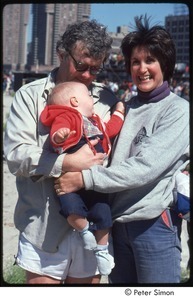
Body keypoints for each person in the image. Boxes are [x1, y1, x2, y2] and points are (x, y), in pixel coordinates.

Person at [54, 15, 189, 283]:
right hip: (114, 225)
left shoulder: (178, 110)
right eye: (135, 62)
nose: (142, 68)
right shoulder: (125, 106)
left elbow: (144, 168)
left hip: (152, 226)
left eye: (150, 60)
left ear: (165, 64)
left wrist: (83, 178)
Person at [4, 20, 119, 284]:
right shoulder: (29, 96)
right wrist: (67, 162)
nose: (88, 76)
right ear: (62, 54)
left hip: (94, 224)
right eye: (81, 66)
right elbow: (16, 154)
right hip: (43, 229)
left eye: (95, 69)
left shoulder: (106, 99)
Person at [40, 81, 124, 275]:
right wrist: (59, 136)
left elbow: (111, 129)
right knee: (71, 208)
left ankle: (102, 252)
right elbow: (56, 133)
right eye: (89, 95)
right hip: (69, 178)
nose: (92, 99)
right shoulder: (66, 117)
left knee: (103, 212)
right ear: (75, 100)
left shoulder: (95, 120)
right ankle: (85, 230)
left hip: (94, 179)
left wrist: (119, 111)